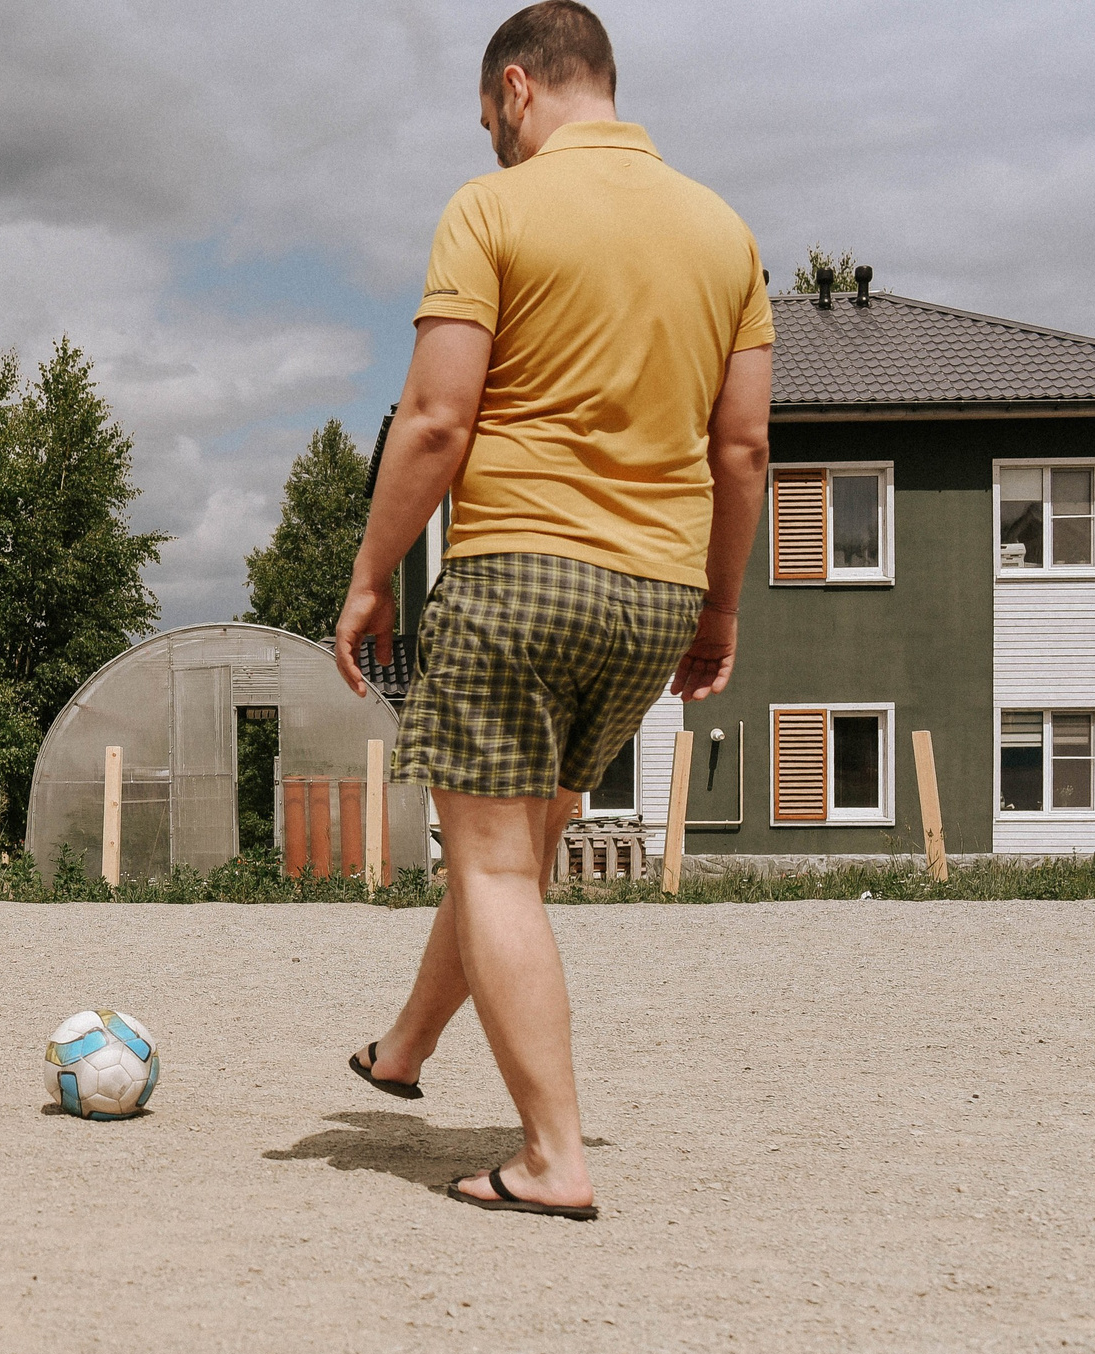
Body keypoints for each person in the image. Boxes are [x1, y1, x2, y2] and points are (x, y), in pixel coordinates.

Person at [329, 0, 772, 1219]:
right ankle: (406, 1049)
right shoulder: (725, 233)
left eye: (490, 123)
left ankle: (550, 1157)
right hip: (653, 592)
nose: (493, 145)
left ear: (517, 90)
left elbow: (434, 421)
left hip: (521, 573)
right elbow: (742, 451)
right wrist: (718, 607)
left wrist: (371, 577)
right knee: (508, 856)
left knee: (488, 862)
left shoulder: (494, 211)